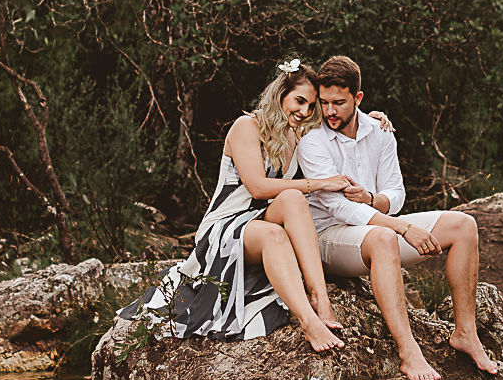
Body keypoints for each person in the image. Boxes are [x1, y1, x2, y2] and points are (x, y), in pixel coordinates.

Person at [120, 60, 355, 352]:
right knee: (275, 233)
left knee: (293, 200)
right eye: (299, 101)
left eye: (310, 106)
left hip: (261, 220)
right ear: (281, 93)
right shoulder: (247, 127)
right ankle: (309, 322)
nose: (305, 112)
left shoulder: (299, 136)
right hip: (226, 226)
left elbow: (342, 125)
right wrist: (318, 184)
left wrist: (374, 120)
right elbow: (257, 187)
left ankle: (320, 298)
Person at [296, 55, 497, 380]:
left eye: (339, 103)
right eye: (324, 102)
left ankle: (466, 333)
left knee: (464, 226)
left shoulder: (380, 131)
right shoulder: (313, 141)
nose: (330, 111)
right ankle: (409, 352)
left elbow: (396, 194)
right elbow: (341, 209)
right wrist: (404, 227)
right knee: (384, 237)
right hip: (328, 238)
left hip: (375, 229)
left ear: (358, 98)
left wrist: (373, 200)